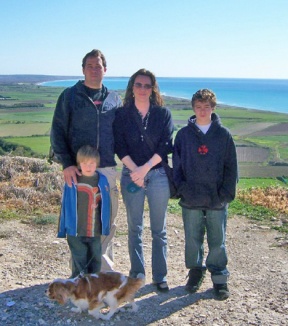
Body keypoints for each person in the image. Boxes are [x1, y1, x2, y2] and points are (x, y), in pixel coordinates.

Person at [50, 49, 122, 271]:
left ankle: (101, 274)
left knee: (105, 223)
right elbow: (58, 131)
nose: (94, 70)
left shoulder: (114, 99)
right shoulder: (70, 96)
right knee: (80, 224)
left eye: (98, 66)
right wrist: (67, 164)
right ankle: (79, 276)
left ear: (105, 70)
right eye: (90, 66)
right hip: (79, 171)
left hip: (107, 169)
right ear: (83, 70)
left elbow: (123, 133)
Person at [173, 89, 238, 300]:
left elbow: (231, 167)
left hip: (216, 198)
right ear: (193, 108)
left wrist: (226, 194)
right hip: (191, 197)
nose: (202, 111)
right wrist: (181, 188)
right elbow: (177, 166)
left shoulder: (223, 135)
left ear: (213, 108)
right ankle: (195, 272)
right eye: (199, 107)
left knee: (217, 240)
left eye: (207, 107)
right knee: (192, 239)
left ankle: (219, 279)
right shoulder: (183, 135)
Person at [113, 69, 174, 292]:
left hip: (157, 175)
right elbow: (119, 146)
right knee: (134, 227)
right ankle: (137, 273)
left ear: (153, 89)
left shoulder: (163, 114)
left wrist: (144, 169)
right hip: (131, 175)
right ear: (132, 87)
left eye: (147, 86)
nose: (142, 89)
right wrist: (135, 171)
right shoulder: (122, 115)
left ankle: (160, 276)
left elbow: (166, 145)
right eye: (138, 85)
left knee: (159, 229)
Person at [58, 145, 111, 277]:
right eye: (84, 163)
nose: (88, 166)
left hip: (95, 230)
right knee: (79, 263)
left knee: (96, 262)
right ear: (79, 163)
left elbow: (106, 205)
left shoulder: (102, 180)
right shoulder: (72, 181)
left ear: (97, 164)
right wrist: (63, 227)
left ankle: (93, 292)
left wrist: (105, 226)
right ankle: (78, 290)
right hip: (76, 230)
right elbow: (66, 205)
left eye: (92, 163)